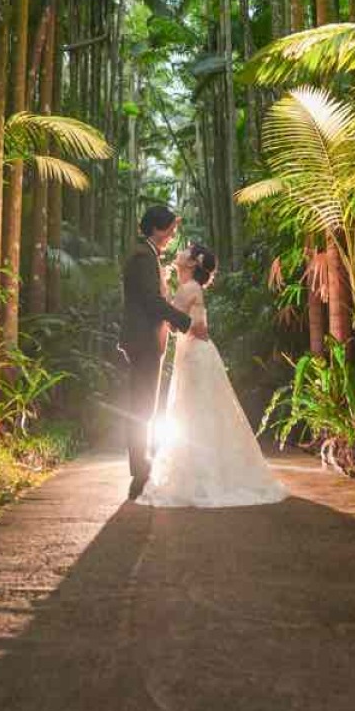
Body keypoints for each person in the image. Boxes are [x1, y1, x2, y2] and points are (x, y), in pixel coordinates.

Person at [137, 242, 287, 509]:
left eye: (186, 250)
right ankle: (207, 475)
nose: (180, 252)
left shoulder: (189, 289)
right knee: (201, 413)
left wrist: (163, 290)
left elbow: (173, 324)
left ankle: (201, 479)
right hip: (197, 353)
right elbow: (185, 323)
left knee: (194, 413)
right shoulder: (190, 288)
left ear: (193, 263)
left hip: (195, 357)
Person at [119, 205, 207, 501]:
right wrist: (184, 322)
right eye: (170, 229)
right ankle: (140, 473)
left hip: (146, 340)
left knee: (144, 406)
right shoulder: (143, 256)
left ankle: (142, 468)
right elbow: (151, 302)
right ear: (157, 228)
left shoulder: (147, 254)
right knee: (142, 407)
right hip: (143, 341)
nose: (172, 235)